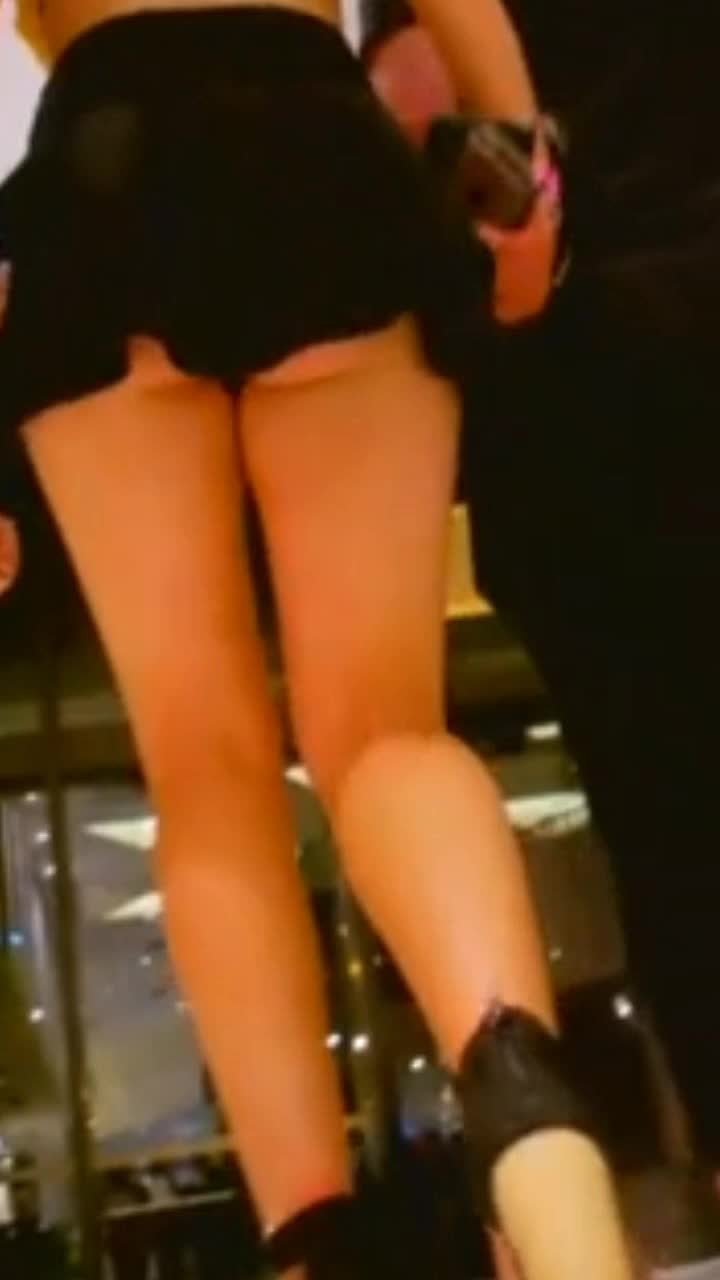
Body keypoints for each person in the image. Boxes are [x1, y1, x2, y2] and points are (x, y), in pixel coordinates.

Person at [0, 1, 634, 1277]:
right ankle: (538, 1143)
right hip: (317, 149)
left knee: (204, 763)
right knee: (391, 730)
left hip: (98, 180)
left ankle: (314, 1246)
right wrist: (518, 181)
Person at [363, 0, 720, 1267]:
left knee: (667, 814)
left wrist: (519, 241)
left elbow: (419, 92)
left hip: (583, 365)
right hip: (611, 341)